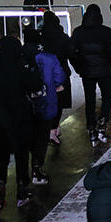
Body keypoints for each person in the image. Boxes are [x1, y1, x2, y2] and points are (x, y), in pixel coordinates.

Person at [0, 36, 38, 209]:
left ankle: (0, 185)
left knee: (1, 156)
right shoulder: (20, 69)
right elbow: (35, 85)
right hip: (20, 118)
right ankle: (22, 188)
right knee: (22, 156)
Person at [71, 4, 111, 145]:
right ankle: (103, 123)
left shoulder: (79, 32)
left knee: (90, 99)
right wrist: (108, 63)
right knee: (107, 97)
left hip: (87, 72)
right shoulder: (105, 31)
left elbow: (71, 51)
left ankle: (91, 127)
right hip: (104, 70)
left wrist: (79, 67)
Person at [26, 29, 65, 186]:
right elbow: (60, 76)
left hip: (28, 104)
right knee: (42, 136)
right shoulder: (49, 58)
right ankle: (37, 166)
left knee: (31, 135)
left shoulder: (22, 57)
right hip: (46, 101)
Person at [40, 10, 73, 145]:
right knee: (59, 103)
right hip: (61, 74)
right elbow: (71, 53)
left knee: (48, 102)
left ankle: (51, 128)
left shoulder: (41, 38)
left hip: (44, 74)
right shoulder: (63, 37)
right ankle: (54, 129)